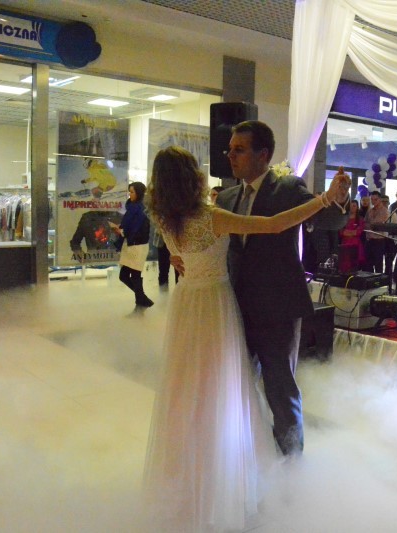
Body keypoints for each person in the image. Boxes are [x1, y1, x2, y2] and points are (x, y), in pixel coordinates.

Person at [144, 145, 349, 531]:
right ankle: (228, 475)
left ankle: (190, 475)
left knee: (189, 389)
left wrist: (179, 257)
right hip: (214, 306)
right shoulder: (212, 216)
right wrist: (323, 199)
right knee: (225, 389)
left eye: (238, 150)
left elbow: (179, 254)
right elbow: (273, 225)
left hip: (187, 306)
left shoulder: (164, 216)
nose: (229, 156)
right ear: (191, 178)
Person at [173, 120, 350, 458]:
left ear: (263, 154)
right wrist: (179, 253)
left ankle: (291, 463)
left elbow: (326, 220)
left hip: (278, 310)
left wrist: (338, 199)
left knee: (280, 390)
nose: (230, 156)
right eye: (230, 149)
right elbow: (205, 237)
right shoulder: (225, 197)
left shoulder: (287, 188)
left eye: (239, 150)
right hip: (233, 309)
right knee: (236, 386)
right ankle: (248, 460)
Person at [109, 182, 153, 308]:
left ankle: (141, 301)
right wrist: (121, 229)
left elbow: (137, 228)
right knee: (125, 276)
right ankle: (142, 299)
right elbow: (129, 225)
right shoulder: (132, 207)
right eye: (129, 192)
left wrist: (120, 231)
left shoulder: (140, 209)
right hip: (131, 244)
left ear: (138, 193)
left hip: (137, 246)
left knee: (133, 275)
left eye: (132, 192)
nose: (130, 194)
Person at [364, 190, 388, 273]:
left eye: (375, 199)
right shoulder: (370, 210)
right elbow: (365, 224)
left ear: (380, 199)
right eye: (372, 199)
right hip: (369, 240)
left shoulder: (384, 211)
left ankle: (378, 280)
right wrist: (371, 225)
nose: (373, 201)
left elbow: (378, 225)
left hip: (379, 241)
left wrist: (371, 225)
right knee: (368, 264)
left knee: (378, 264)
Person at [338, 200, 365, 273]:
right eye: (350, 206)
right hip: (345, 244)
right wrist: (351, 232)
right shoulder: (343, 219)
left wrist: (348, 232)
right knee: (344, 265)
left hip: (355, 244)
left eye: (354, 206)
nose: (352, 208)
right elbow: (341, 231)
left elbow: (358, 232)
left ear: (357, 207)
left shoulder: (360, 219)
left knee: (354, 266)